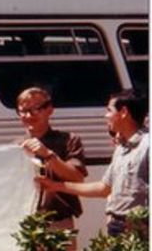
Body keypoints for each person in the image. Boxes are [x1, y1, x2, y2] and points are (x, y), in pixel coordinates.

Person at [37, 89, 148, 236]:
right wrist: (56, 186)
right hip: (117, 226)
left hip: (140, 229)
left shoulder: (147, 146)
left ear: (123, 112)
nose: (106, 116)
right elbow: (104, 188)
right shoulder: (121, 148)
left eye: (109, 110)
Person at [15, 87, 87, 251]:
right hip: (26, 224)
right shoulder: (16, 147)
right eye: (23, 111)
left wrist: (48, 155)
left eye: (36, 109)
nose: (29, 116)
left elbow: (77, 177)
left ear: (50, 110)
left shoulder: (69, 140)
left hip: (58, 223)